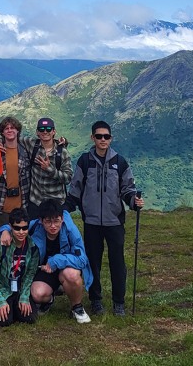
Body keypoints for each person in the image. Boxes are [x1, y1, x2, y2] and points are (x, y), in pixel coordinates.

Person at [67, 120, 145, 317]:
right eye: (99, 136)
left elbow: (127, 189)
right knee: (93, 262)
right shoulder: (85, 161)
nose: (103, 139)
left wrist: (134, 202)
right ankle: (96, 300)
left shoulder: (120, 162)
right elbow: (76, 188)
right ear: (92, 138)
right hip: (91, 222)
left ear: (111, 138)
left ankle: (119, 302)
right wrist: (64, 208)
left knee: (117, 262)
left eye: (106, 136)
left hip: (114, 222)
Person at [0, 199, 93, 324]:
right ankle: (49, 299)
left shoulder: (71, 230)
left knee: (71, 275)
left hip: (66, 267)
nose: (53, 226)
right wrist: (4, 231)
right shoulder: (35, 226)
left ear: (62, 218)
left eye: (56, 221)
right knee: (37, 293)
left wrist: (56, 260)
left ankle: (77, 307)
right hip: (44, 269)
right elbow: (17, 226)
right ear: (41, 221)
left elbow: (82, 260)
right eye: (48, 221)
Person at [0, 208, 39, 327]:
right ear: (10, 227)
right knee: (3, 321)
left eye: (25, 228)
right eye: (17, 228)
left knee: (30, 318)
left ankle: (14, 305)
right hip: (2, 288)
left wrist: (24, 296)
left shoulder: (32, 247)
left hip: (18, 289)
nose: (21, 232)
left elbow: (30, 274)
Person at [0, 116, 33, 239]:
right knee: (1, 241)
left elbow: (43, 145)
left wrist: (62, 142)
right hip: (1, 205)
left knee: (19, 241)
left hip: (21, 205)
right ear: (2, 132)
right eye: (6, 128)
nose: (9, 130)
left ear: (17, 130)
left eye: (12, 128)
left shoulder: (25, 151)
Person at [21, 118, 72, 219]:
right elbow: (12, 137)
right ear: (37, 132)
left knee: (54, 232)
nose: (45, 131)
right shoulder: (32, 144)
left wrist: (50, 169)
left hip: (56, 203)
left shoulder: (63, 152)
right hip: (36, 202)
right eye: (41, 129)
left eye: (48, 129)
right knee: (34, 233)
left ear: (54, 132)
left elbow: (68, 178)